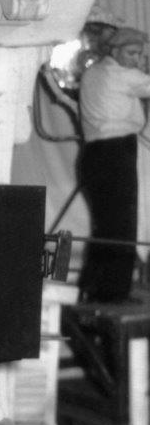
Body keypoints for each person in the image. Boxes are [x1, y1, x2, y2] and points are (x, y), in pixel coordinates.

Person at [78, 25, 150, 303]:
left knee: (105, 225)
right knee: (122, 225)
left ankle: (92, 288)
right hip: (117, 153)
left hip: (92, 154)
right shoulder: (120, 74)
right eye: (132, 53)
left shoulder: (92, 72)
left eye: (141, 55)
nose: (137, 60)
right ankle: (114, 294)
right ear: (115, 51)